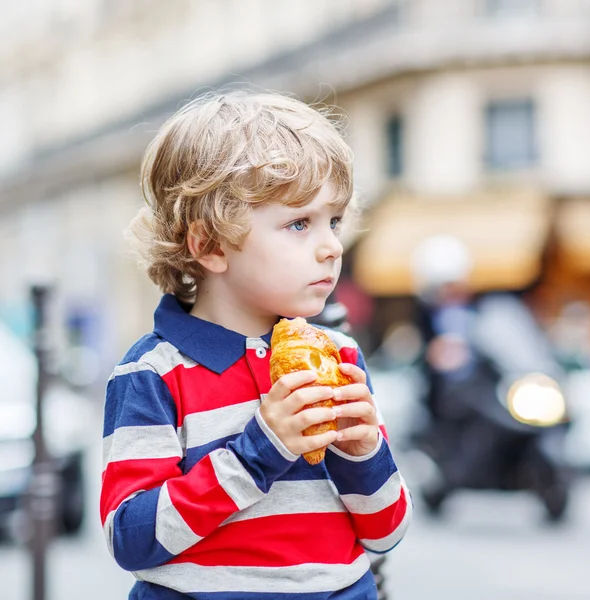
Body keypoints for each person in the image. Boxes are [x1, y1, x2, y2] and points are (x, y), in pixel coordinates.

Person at [100, 90, 412, 600]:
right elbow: (131, 539)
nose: (332, 245)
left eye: (333, 220)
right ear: (210, 245)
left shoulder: (339, 355)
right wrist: (260, 450)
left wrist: (364, 454)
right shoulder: (154, 374)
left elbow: (386, 532)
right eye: (298, 223)